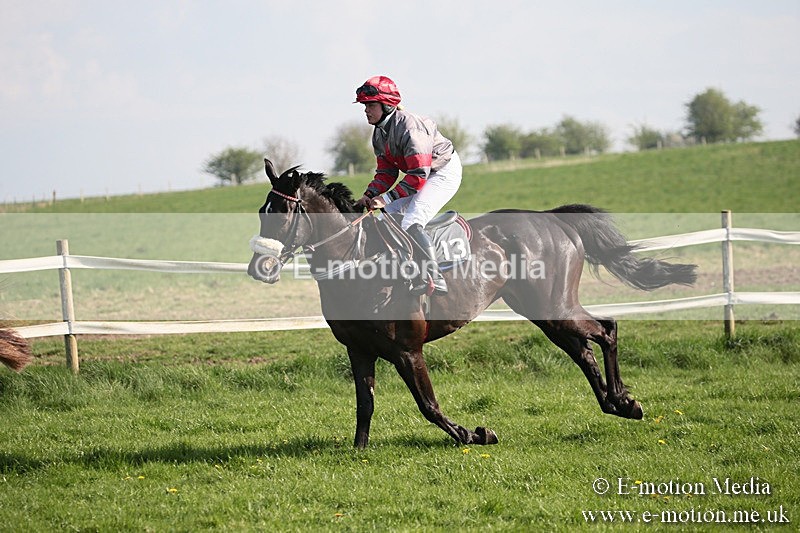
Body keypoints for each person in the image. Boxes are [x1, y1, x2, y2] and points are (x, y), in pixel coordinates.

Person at [353, 75, 462, 295]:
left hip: (442, 173)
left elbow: (419, 174)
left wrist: (387, 198)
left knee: (413, 219)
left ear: (387, 105)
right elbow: (387, 172)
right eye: (365, 105)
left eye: (370, 105)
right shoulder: (379, 133)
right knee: (386, 217)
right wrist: (370, 193)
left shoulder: (410, 128)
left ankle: (435, 277)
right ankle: (406, 269)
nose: (366, 110)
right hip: (420, 174)